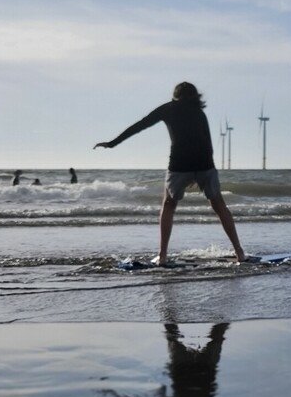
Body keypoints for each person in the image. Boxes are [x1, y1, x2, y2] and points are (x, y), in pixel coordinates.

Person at [94, 82, 246, 264]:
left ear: (175, 95)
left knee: (168, 205)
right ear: (196, 96)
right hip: (205, 164)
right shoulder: (200, 112)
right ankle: (240, 253)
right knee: (220, 206)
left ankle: (163, 256)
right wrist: (201, 170)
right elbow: (208, 143)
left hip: (179, 165)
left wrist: (112, 143)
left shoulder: (168, 109)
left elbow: (140, 125)